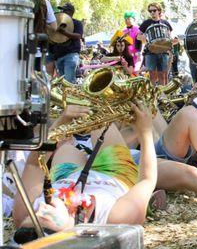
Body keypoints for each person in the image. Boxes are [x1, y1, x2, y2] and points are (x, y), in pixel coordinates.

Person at [12, 102, 157, 240]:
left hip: (65, 175)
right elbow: (147, 180)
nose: (40, 207)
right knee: (101, 118)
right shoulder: (116, 218)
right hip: (115, 174)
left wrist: (61, 122)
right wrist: (145, 132)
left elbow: (35, 165)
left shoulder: (25, 215)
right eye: (44, 215)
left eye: (35, 214)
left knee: (66, 148)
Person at [9, 0, 57, 70]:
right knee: (37, 80)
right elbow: (54, 27)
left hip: (19, 49)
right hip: (39, 48)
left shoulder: (17, 3)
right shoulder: (45, 3)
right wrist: (41, 23)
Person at [47, 3, 84, 83]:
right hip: (58, 56)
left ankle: (69, 95)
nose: (62, 11)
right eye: (62, 10)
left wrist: (64, 32)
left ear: (71, 12)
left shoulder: (77, 23)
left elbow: (78, 36)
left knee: (69, 81)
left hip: (70, 55)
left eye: (65, 10)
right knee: (61, 82)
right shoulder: (57, 23)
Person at [138, 2, 173, 86]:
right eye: (150, 11)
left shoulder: (165, 23)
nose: (152, 12)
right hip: (150, 52)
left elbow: (170, 37)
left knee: (163, 75)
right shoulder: (146, 23)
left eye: (154, 10)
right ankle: (153, 96)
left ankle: (163, 95)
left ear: (159, 11)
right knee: (152, 76)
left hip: (163, 52)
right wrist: (144, 38)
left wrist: (173, 42)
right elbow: (138, 36)